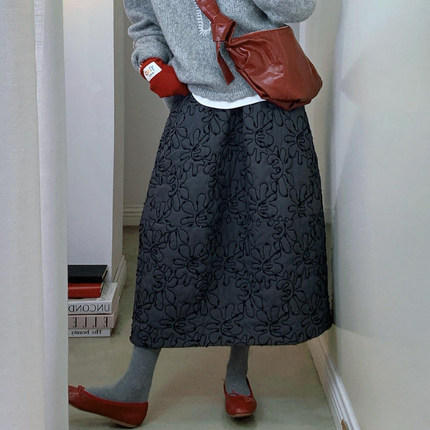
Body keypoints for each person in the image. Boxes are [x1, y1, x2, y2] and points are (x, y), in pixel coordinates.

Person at [68, 0, 332, 427]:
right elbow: (144, 21)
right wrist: (151, 66)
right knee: (169, 245)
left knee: (254, 239)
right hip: (196, 102)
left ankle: (237, 376)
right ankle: (134, 389)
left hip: (267, 100)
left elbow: (298, 8)